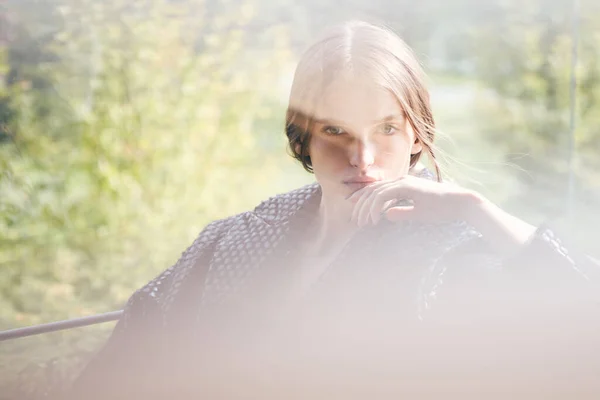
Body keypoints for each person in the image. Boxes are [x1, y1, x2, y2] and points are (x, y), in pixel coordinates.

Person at [65, 21, 600, 399]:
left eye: (386, 129)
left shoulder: (456, 252)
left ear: (416, 135)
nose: (362, 159)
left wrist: (478, 210)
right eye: (335, 131)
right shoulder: (242, 235)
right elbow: (132, 347)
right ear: (303, 140)